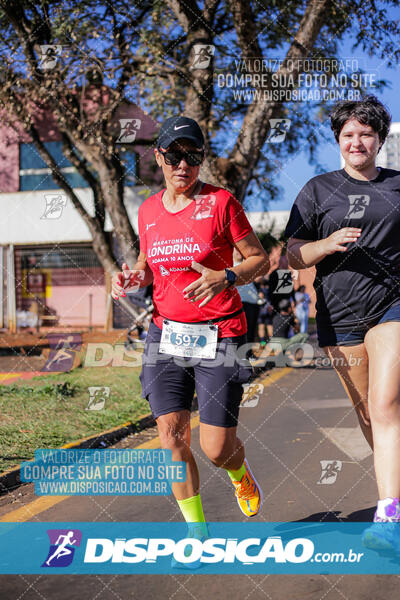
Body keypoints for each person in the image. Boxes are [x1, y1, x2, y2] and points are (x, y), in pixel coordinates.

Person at [111, 116, 269, 549]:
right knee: (170, 434)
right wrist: (131, 278)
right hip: (166, 335)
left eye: (194, 156)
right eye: (176, 155)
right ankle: (196, 534)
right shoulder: (147, 210)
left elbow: (260, 260)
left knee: (216, 447)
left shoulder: (221, 203)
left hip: (220, 333)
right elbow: (147, 267)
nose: (185, 164)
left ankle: (239, 472)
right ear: (159, 156)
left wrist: (228, 276)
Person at [285, 95, 400, 552]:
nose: (357, 142)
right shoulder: (317, 190)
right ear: (338, 141)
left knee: (386, 402)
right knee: (369, 414)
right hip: (339, 315)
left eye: (366, 134)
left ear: (379, 140)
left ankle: (388, 517)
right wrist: (325, 244)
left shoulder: (397, 186)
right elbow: (291, 255)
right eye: (348, 135)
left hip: (393, 306)